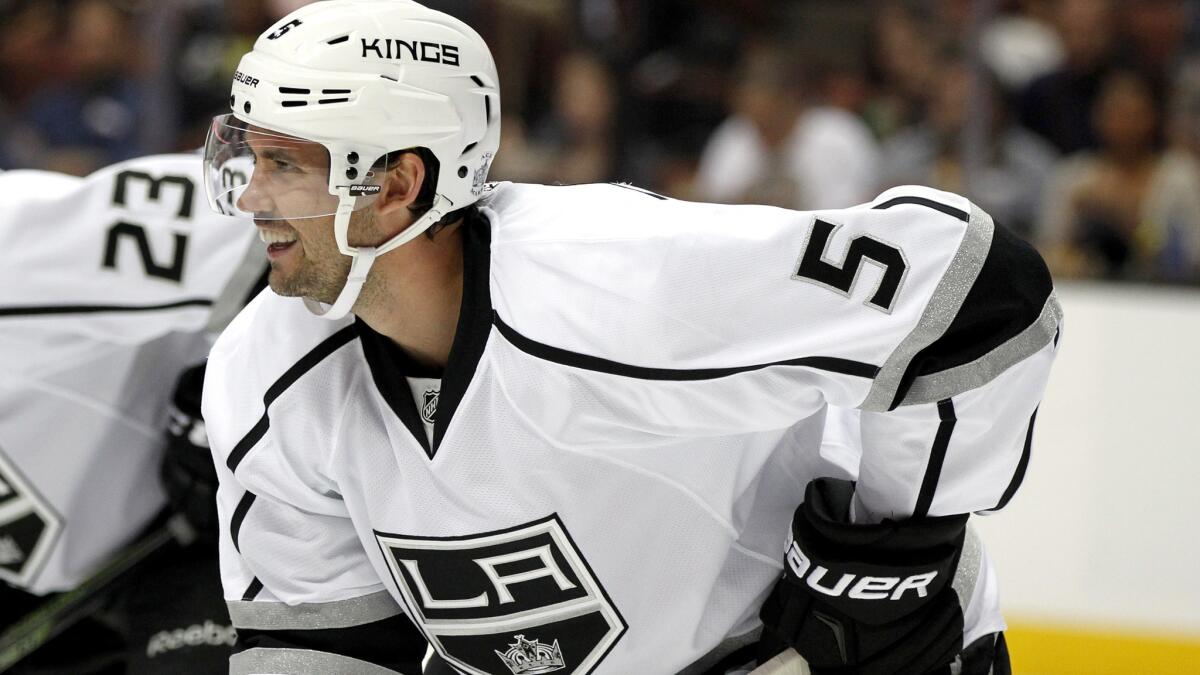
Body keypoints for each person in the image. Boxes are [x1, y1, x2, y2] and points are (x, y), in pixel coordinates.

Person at [201, 2, 1061, 673]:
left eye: (285, 164)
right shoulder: (262, 375)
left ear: (397, 181)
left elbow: (979, 288)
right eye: (250, 159)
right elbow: (326, 644)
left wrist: (884, 549)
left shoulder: (610, 281)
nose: (250, 199)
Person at [0, 152, 261, 673]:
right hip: (104, 596)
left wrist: (247, 386)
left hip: (244, 517)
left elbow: (269, 210)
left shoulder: (14, 246)